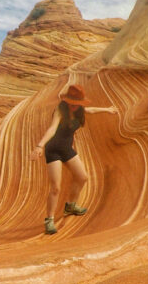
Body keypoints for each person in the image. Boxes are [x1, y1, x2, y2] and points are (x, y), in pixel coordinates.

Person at [29, 83, 117, 234]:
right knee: (56, 187)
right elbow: (52, 128)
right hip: (53, 149)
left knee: (82, 177)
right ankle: (49, 220)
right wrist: (40, 146)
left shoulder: (80, 110)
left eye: (77, 104)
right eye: (72, 104)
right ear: (67, 101)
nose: (74, 106)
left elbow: (91, 110)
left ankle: (70, 206)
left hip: (66, 149)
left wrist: (108, 110)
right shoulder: (60, 109)